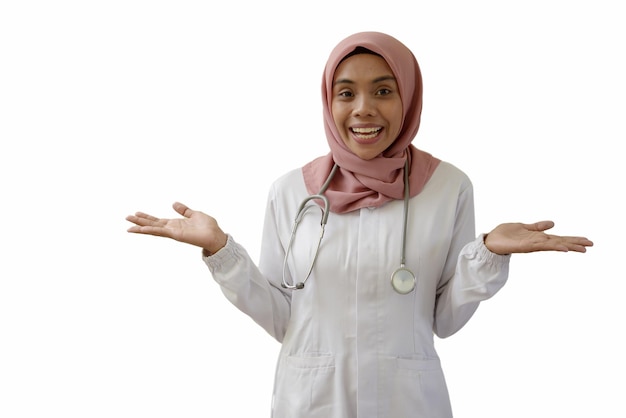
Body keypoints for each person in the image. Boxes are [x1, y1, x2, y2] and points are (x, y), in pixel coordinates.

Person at [125, 31, 593, 418]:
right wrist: (220, 249)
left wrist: (489, 252)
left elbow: (446, 320)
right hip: (310, 401)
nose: (363, 109)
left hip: (408, 403)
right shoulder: (291, 191)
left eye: (384, 91)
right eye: (346, 92)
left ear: (408, 98)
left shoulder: (448, 187)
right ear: (329, 101)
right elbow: (280, 317)